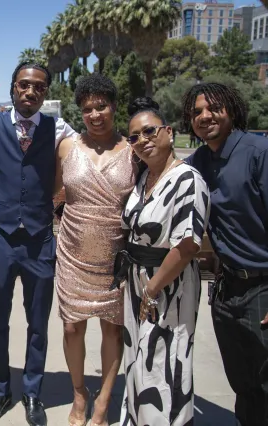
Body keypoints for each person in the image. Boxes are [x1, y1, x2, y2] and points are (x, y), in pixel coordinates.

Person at [0, 61, 76, 426]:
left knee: (38, 323)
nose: (30, 91)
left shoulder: (60, 128)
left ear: (46, 91)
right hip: (1, 237)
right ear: (13, 89)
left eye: (38, 86)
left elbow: (75, 165)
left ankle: (32, 392)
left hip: (39, 240)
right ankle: (0, 389)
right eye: (23, 85)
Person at [119, 97, 210, 425]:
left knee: (164, 362)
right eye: (133, 137)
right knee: (138, 361)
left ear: (168, 133)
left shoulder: (189, 180)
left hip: (168, 286)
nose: (141, 141)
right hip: (138, 283)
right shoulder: (144, 179)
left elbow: (187, 245)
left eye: (149, 132)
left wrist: (152, 289)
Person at [183, 83, 268, 426]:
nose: (205, 117)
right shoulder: (200, 161)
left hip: (262, 287)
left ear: (231, 110)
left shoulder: (258, 152)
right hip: (225, 289)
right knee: (242, 382)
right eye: (197, 112)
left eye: (213, 108)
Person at [54, 74, 137, 426]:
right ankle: (78, 393)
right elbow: (53, 194)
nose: (95, 114)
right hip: (72, 250)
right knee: (72, 328)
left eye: (101, 106)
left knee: (112, 329)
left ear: (113, 107)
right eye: (87, 108)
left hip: (114, 257)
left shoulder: (134, 150)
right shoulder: (67, 147)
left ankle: (103, 400)